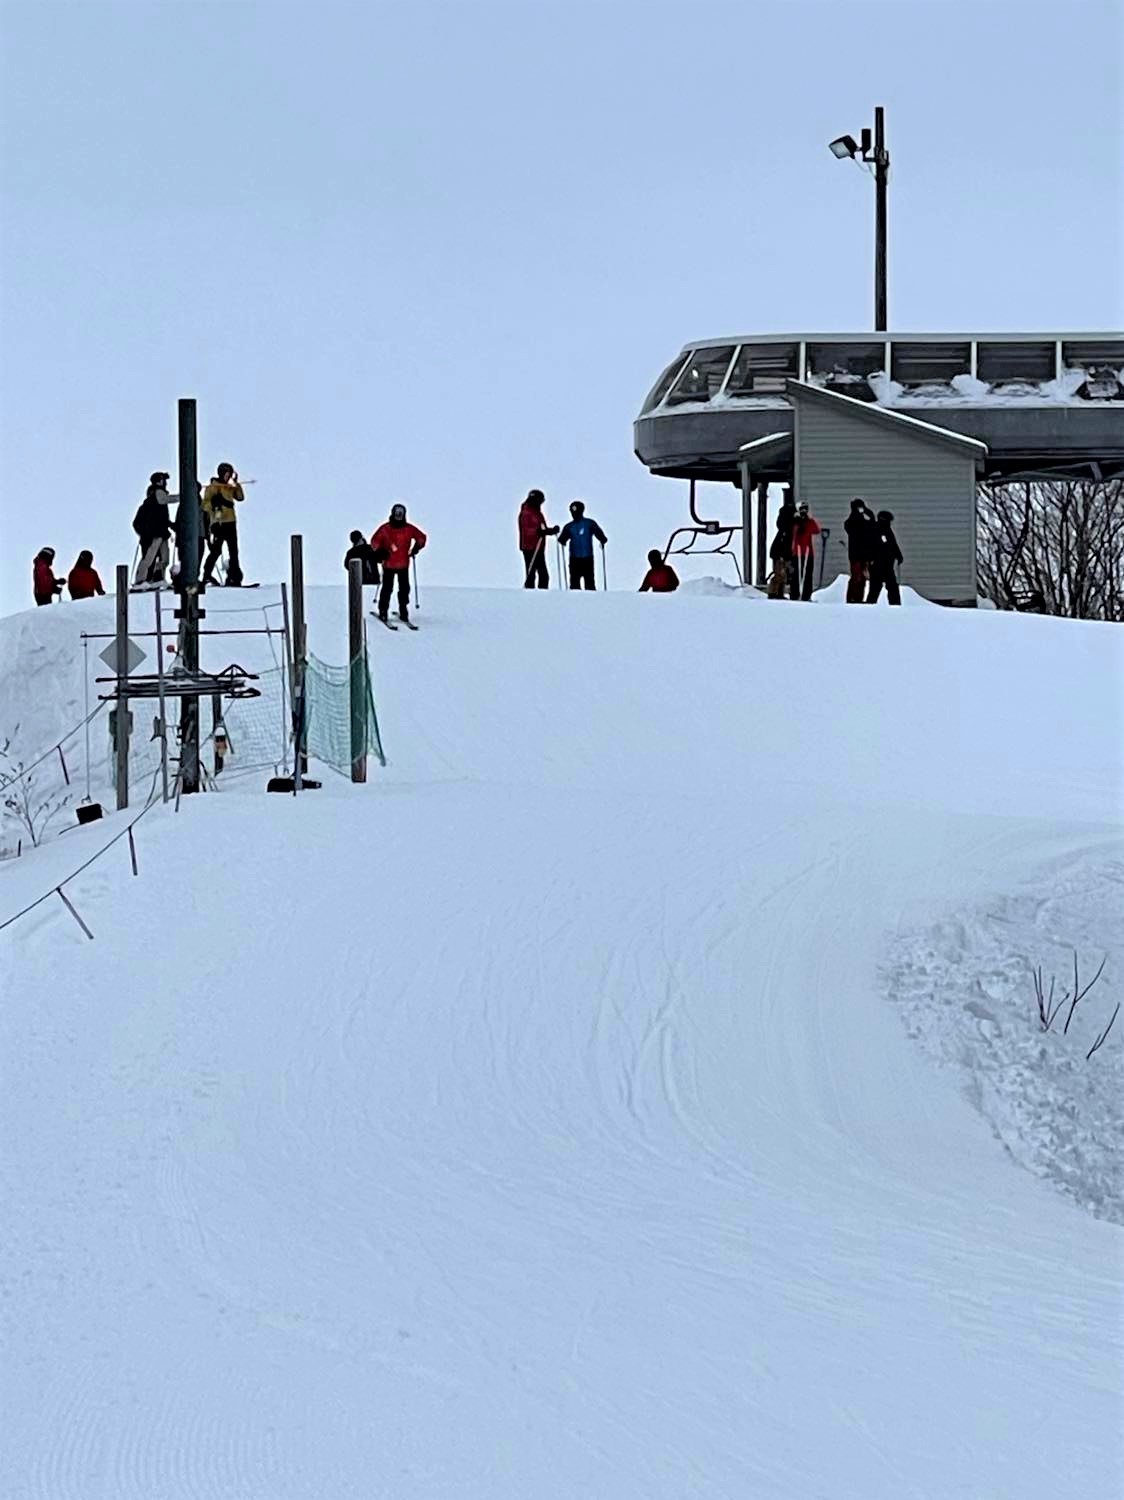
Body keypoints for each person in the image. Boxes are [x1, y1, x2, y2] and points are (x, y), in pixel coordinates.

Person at [371, 502, 426, 623]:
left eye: (400, 514)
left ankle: (402, 610)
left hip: (402, 565)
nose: (399, 516)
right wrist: (380, 551)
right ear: (393, 514)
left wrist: (416, 548)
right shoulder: (386, 529)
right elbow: (374, 541)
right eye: (397, 514)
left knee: (404, 588)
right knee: (388, 588)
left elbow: (421, 538)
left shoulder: (406, 529)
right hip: (390, 565)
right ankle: (384, 610)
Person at [201, 462, 245, 586]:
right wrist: (214, 503)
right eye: (227, 473)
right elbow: (205, 505)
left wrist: (236, 483)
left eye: (230, 474)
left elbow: (240, 497)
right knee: (216, 551)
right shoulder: (212, 487)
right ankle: (206, 575)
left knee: (233, 551)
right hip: (218, 523)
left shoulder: (229, 487)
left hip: (230, 522)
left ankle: (235, 577)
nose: (228, 476)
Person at [133, 471, 173, 586]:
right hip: (155, 533)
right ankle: (141, 580)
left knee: (163, 558)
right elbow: (166, 499)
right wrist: (184, 496)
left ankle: (157, 577)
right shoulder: (158, 493)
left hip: (161, 532)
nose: (165, 482)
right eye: (163, 479)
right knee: (151, 558)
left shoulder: (150, 502)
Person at [558, 500, 607, 590]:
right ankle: (576, 601)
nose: (574, 514)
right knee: (575, 583)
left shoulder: (589, 523)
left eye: (576, 512)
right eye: (573, 512)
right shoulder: (569, 526)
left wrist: (602, 539)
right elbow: (562, 539)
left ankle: (589, 601)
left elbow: (599, 533)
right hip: (575, 559)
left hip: (586, 558)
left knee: (588, 583)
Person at [518, 489, 559, 589]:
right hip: (530, 547)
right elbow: (526, 530)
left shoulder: (537, 513)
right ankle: (531, 596)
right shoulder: (526, 513)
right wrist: (541, 532)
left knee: (543, 575)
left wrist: (550, 531)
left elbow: (541, 528)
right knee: (532, 574)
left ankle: (541, 596)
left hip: (538, 546)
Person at [844, 498, 877, 603]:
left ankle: (859, 598)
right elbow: (849, 526)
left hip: (865, 554)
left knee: (862, 579)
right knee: (856, 577)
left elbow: (872, 524)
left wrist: (868, 512)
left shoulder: (865, 522)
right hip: (855, 555)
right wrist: (857, 514)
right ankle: (851, 598)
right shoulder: (851, 521)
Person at [868, 510, 904, 605]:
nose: (890, 523)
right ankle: (869, 606)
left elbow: (893, 545)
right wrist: (871, 560)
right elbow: (871, 547)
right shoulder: (875, 530)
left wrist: (898, 555)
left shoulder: (888, 531)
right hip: (877, 565)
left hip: (888, 565)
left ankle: (895, 605)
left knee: (892, 587)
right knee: (875, 588)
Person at [789, 501, 821, 601]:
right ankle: (795, 594)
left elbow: (816, 530)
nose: (804, 511)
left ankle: (806, 595)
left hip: (808, 552)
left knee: (807, 575)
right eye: (802, 509)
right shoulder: (795, 522)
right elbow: (793, 532)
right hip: (797, 553)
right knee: (796, 575)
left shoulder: (809, 522)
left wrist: (810, 519)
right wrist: (797, 520)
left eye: (805, 509)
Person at [768, 494, 797, 599]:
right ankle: (773, 592)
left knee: (783, 575)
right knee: (779, 574)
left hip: (784, 552)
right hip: (779, 553)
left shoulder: (786, 531)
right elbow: (782, 543)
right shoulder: (785, 532)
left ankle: (779, 593)